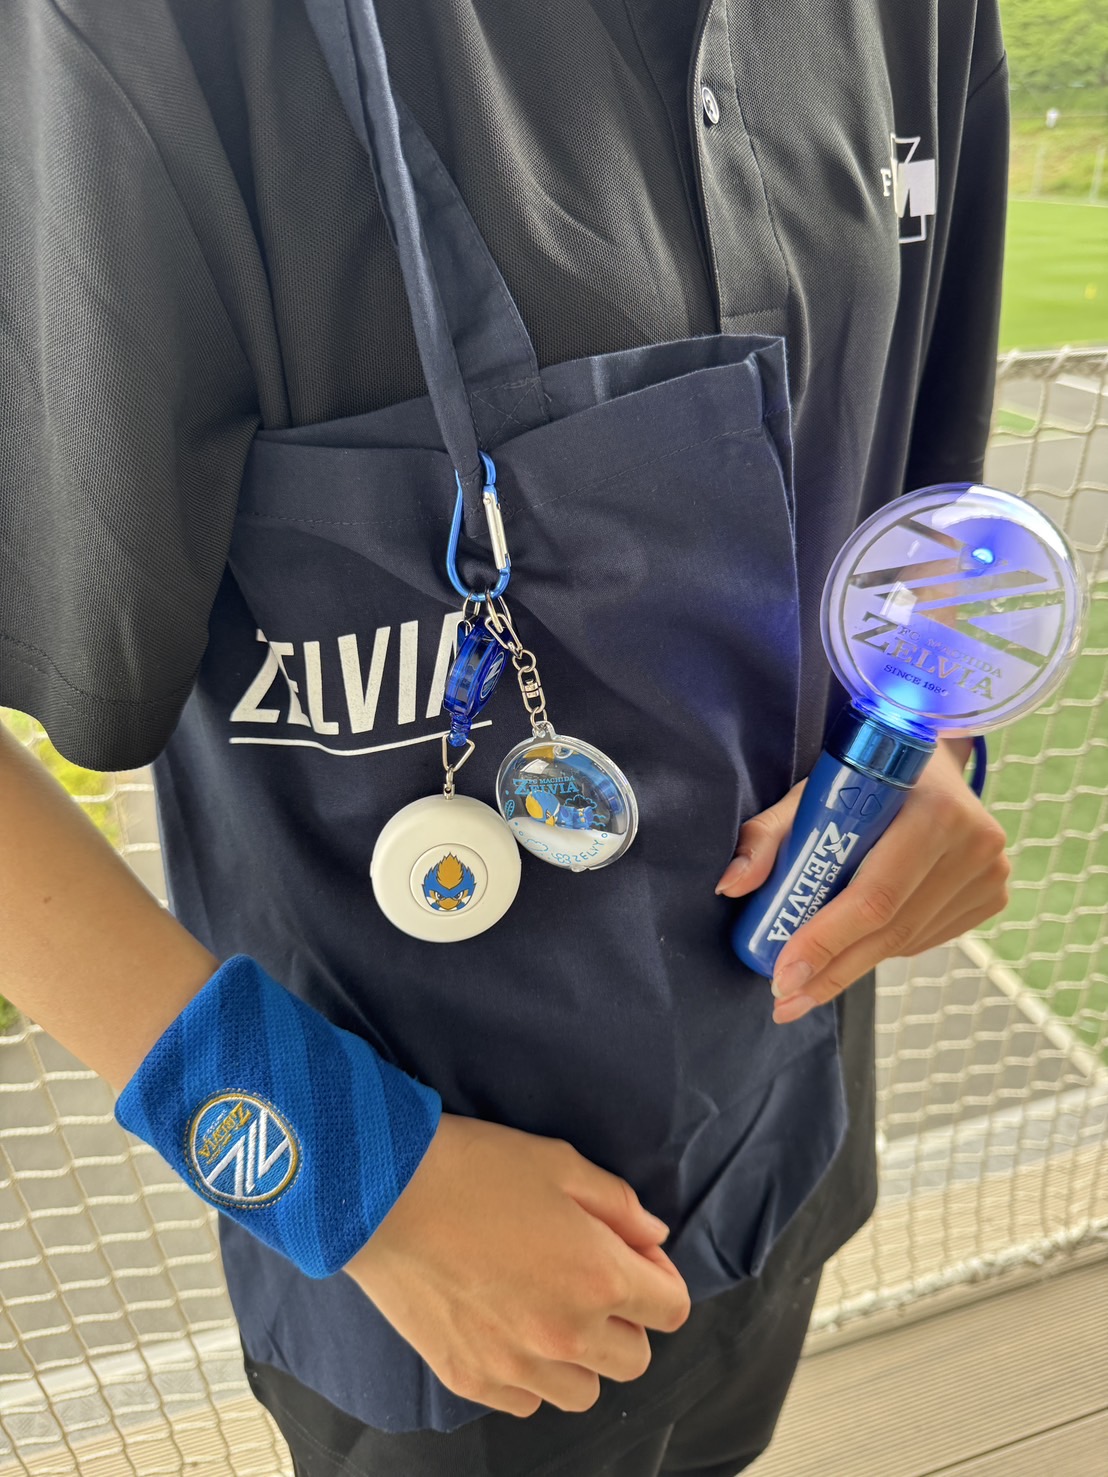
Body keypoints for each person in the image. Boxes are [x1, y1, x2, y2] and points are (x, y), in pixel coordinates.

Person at [0, 3, 1012, 1474]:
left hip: (785, 1140)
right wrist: (346, 1174)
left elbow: (920, 513)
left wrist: (933, 745)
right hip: (429, 1287)